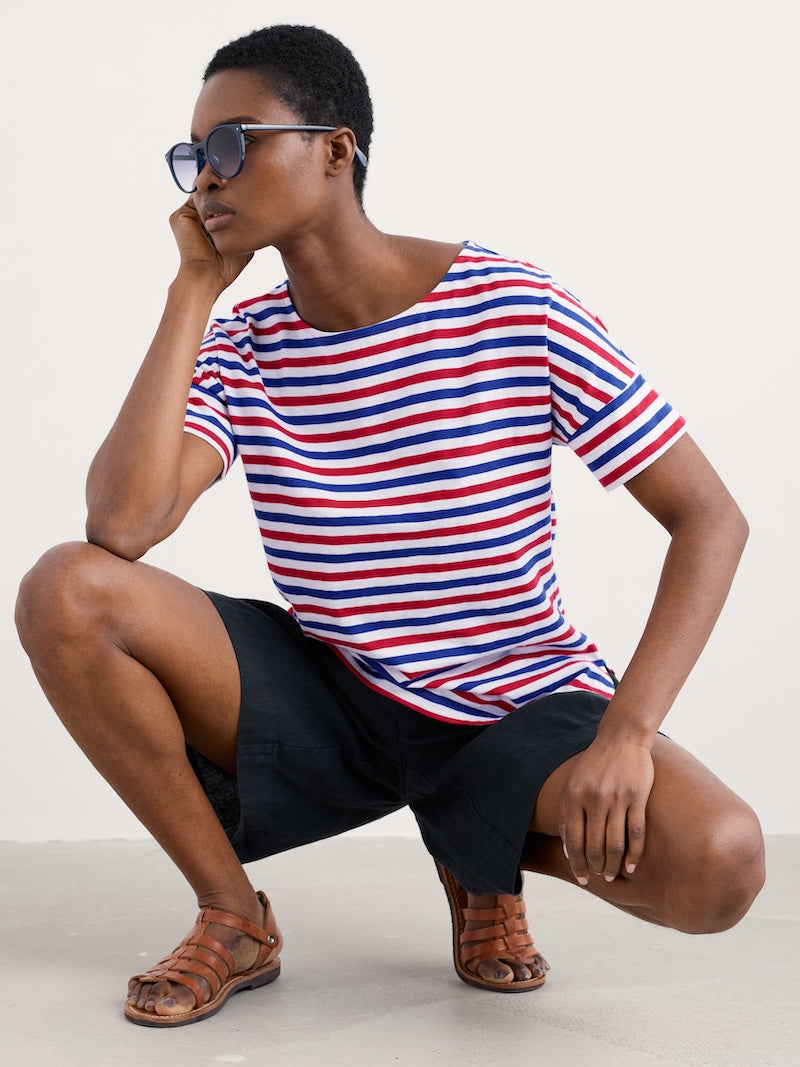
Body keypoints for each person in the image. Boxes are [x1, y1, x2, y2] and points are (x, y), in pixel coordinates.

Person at [15, 23, 765, 1028]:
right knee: (64, 587)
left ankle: (476, 851)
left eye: (232, 145)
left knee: (719, 861)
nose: (206, 179)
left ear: (336, 148)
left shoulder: (509, 304)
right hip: (334, 689)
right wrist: (193, 289)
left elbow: (707, 516)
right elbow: (123, 522)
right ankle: (234, 913)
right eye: (192, 157)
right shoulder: (243, 345)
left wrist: (626, 731)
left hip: (512, 706)